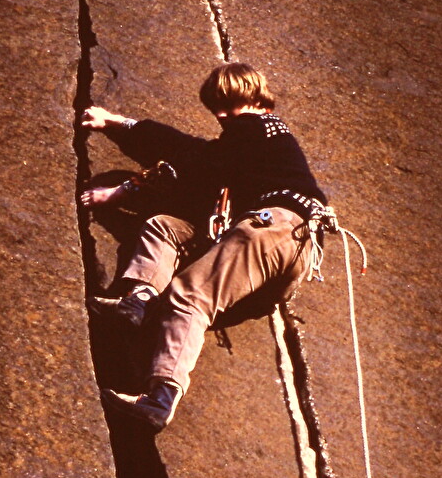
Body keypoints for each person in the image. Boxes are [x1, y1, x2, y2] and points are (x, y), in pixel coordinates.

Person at [80, 62, 332, 430]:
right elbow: (197, 181)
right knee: (166, 227)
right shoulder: (266, 147)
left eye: (228, 104)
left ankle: (159, 399)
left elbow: (190, 157)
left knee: (190, 296)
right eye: (216, 107)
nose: (221, 115)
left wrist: (117, 126)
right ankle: (140, 299)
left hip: (269, 228)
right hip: (291, 249)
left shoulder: (255, 126)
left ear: (253, 97)